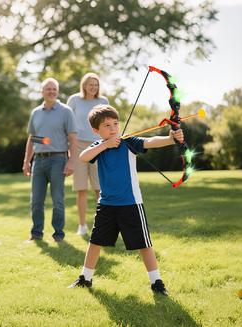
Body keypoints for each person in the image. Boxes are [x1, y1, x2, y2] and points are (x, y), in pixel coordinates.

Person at [68, 104, 183, 296]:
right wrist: (105, 144)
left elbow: (151, 141)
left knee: (143, 244)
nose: (113, 128)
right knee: (95, 241)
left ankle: (157, 282)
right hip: (106, 205)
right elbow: (82, 157)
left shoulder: (128, 142)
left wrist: (171, 138)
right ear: (96, 130)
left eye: (115, 123)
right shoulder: (99, 147)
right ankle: (85, 278)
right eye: (107, 126)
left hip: (130, 204)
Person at [23, 78, 78, 242]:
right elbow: (33, 138)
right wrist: (27, 161)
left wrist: (71, 161)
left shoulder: (66, 111)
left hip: (58, 160)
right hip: (38, 162)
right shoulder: (36, 113)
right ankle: (36, 234)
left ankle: (58, 234)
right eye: (48, 89)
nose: (52, 91)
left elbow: (73, 139)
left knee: (58, 201)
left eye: (54, 89)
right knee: (36, 201)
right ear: (42, 92)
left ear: (58, 91)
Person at [66, 73, 107, 235]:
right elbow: (68, 124)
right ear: (84, 85)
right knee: (81, 188)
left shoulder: (103, 102)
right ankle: (82, 225)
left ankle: (102, 224)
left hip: (98, 146)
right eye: (90, 84)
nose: (93, 87)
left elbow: (107, 124)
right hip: (78, 146)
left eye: (96, 85)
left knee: (99, 188)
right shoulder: (74, 100)